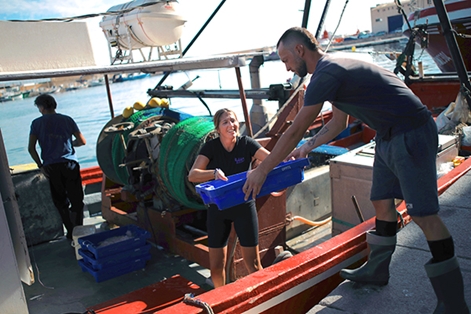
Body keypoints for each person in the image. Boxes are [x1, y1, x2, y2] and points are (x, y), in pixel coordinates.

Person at [242, 27, 469, 313]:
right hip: (387, 134)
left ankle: (454, 301)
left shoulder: (326, 72)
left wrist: (262, 169)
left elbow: (297, 126)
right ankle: (377, 270)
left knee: (424, 215)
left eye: (286, 59)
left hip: (410, 131)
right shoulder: (331, 69)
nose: (286, 66)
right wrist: (307, 146)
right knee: (380, 201)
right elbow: (337, 123)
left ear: (300, 50)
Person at [188, 108, 270, 288]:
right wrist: (213, 173)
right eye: (225, 122)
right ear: (217, 128)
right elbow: (193, 175)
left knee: (254, 264)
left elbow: (271, 160)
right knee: (216, 268)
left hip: (244, 206)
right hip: (218, 210)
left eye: (232, 120)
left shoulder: (247, 143)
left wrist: (289, 155)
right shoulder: (210, 147)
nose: (230, 125)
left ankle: (265, 298)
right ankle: (222, 302)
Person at [28, 94, 87, 240]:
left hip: (51, 167)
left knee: (61, 202)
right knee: (77, 200)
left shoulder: (36, 123)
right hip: (70, 164)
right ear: (54, 105)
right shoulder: (67, 120)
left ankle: (70, 232)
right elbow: (82, 141)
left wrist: (40, 165)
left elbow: (31, 148)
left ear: (41, 107)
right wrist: (68, 144)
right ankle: (78, 231)